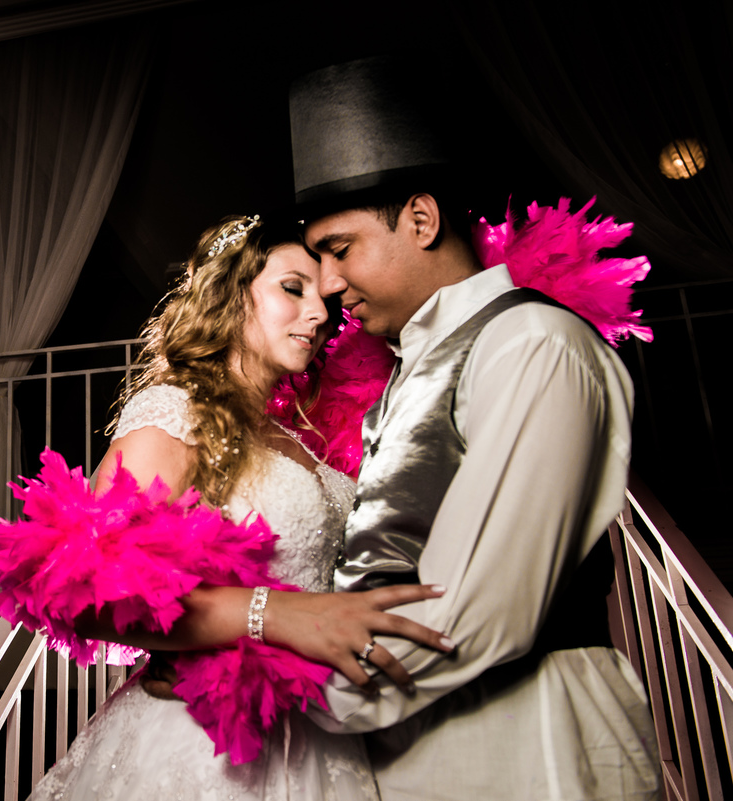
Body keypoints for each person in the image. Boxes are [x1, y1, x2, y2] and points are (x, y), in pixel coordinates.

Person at [289, 57, 661, 799]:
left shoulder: (532, 344)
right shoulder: (409, 368)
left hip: (532, 750)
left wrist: (291, 700)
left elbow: (469, 612)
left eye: (340, 250)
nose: (328, 285)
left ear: (422, 220)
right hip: (410, 753)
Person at [27, 215, 453, 801]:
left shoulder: (295, 438)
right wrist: (271, 615)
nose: (321, 313)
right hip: (203, 751)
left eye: (326, 297)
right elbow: (89, 592)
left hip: (323, 740)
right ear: (232, 292)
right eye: (292, 287)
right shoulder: (173, 413)